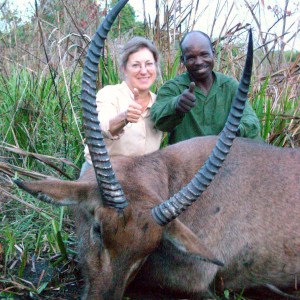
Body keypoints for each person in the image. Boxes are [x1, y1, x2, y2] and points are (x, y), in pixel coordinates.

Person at [150, 31, 260, 145]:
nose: (199, 62)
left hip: (224, 158)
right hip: (186, 159)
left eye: (204, 54)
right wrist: (176, 105)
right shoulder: (172, 88)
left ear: (213, 53)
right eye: (191, 57)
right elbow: (158, 120)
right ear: (183, 60)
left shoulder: (230, 86)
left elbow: (251, 122)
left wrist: (234, 131)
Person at [81, 37, 163, 175]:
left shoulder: (159, 102)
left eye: (149, 64)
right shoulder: (109, 94)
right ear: (125, 69)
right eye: (136, 65)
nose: (144, 71)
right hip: (101, 175)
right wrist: (124, 117)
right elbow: (102, 126)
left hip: (142, 178)